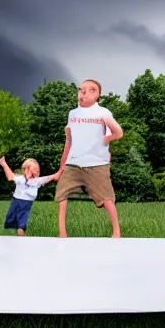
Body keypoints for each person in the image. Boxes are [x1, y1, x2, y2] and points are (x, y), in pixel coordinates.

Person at [54, 79, 123, 238]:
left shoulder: (103, 112)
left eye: (90, 90)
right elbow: (69, 141)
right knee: (62, 194)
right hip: (73, 162)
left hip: (97, 163)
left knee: (106, 198)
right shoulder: (72, 114)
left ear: (97, 95)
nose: (84, 93)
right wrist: (61, 167)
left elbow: (118, 132)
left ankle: (116, 233)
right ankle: (62, 233)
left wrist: (105, 141)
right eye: (81, 90)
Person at [0, 156, 60, 236]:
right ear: (25, 170)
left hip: (26, 203)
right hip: (16, 201)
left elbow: (51, 177)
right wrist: (3, 163)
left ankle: (21, 235)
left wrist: (60, 171)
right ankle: (17, 235)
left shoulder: (36, 181)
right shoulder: (21, 179)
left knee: (21, 223)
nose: (33, 175)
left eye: (36, 173)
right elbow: (10, 177)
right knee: (11, 220)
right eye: (31, 172)